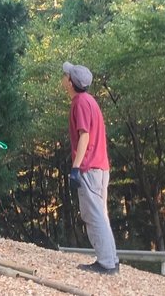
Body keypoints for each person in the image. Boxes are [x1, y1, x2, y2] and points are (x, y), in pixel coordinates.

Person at [62, 61, 119, 275]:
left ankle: (106, 263)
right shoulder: (90, 101)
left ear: (70, 82)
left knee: (93, 215)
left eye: (65, 75)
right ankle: (111, 259)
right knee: (101, 214)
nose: (63, 78)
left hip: (89, 167)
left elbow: (84, 135)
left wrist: (75, 168)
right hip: (100, 166)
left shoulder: (80, 103)